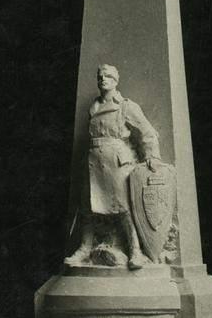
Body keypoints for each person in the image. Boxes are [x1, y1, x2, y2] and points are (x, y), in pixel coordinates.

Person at [66, 64, 161, 270]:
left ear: (116, 81)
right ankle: (84, 248)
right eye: (100, 76)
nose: (103, 79)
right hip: (94, 161)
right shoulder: (94, 107)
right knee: (87, 206)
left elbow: (148, 133)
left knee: (124, 207)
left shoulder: (126, 106)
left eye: (108, 76)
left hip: (117, 163)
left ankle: (135, 250)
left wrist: (152, 156)